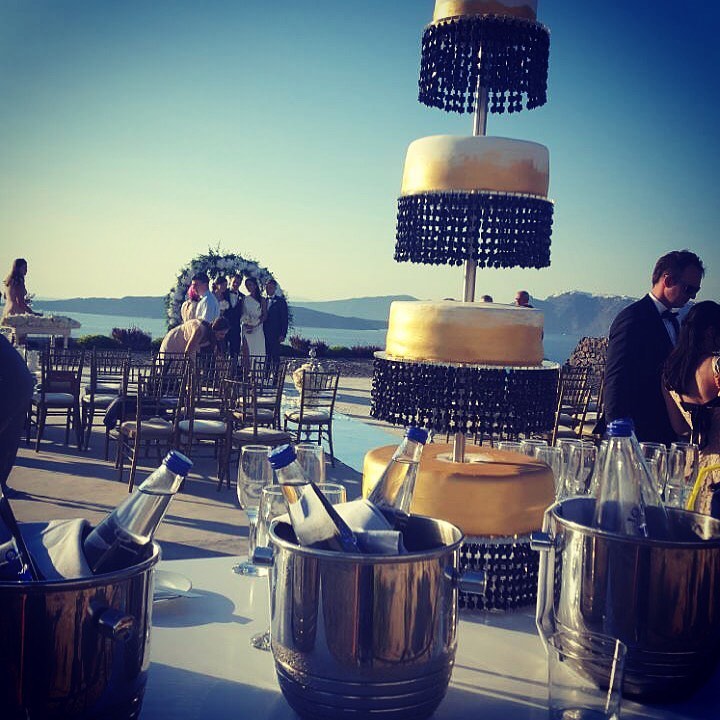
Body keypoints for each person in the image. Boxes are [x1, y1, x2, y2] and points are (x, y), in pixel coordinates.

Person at [603, 249, 705, 445]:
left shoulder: (675, 321)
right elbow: (615, 378)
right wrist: (620, 437)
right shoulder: (633, 318)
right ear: (668, 280)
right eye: (688, 289)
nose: (692, 296)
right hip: (637, 433)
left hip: (663, 432)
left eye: (696, 291)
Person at [663, 301, 720, 516]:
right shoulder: (717, 366)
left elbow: (680, 427)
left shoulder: (669, 373)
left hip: (693, 469)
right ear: (711, 332)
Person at [0, 334, 35, 490]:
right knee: (8, 440)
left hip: (13, 388)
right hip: (22, 386)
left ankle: (2, 488)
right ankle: (2, 486)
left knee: (6, 440)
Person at [159, 317, 229, 360]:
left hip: (184, 345)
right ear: (215, 330)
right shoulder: (199, 331)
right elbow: (188, 351)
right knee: (168, 369)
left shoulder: (212, 338)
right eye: (221, 333)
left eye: (225, 334)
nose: (223, 337)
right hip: (175, 341)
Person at [264, 278, 288, 366]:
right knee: (266, 356)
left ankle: (276, 374)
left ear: (275, 288)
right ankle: (265, 374)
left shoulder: (281, 302)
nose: (268, 289)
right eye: (267, 287)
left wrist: (283, 334)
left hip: (276, 334)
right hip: (263, 333)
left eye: (271, 287)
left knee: (275, 357)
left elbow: (284, 319)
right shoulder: (263, 300)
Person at [240, 277, 266, 359]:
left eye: (250, 285)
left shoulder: (262, 300)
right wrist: (246, 322)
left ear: (255, 286)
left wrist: (255, 324)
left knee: (257, 349)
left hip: (258, 328)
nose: (248, 287)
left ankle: (257, 366)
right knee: (246, 350)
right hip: (246, 328)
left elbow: (265, 315)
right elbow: (243, 313)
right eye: (246, 285)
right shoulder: (245, 299)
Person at [226, 274, 245, 358]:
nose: (236, 284)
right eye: (234, 282)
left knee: (235, 352)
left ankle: (233, 365)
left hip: (236, 328)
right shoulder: (223, 293)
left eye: (238, 282)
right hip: (223, 327)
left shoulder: (243, 297)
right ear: (230, 280)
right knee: (221, 351)